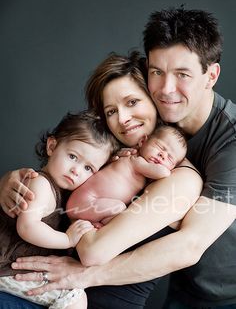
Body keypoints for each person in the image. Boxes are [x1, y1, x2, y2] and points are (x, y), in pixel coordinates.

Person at [0, 49, 203, 309]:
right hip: (38, 290)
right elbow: (52, 187)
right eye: (111, 111)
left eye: (132, 102)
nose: (123, 118)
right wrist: (12, 183)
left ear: (154, 98)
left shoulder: (178, 176)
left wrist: (75, 253)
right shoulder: (107, 156)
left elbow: (91, 249)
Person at [0, 110, 119, 309]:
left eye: (88, 168)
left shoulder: (64, 194)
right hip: (5, 270)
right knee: (75, 298)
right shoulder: (41, 185)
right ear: (52, 146)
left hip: (11, 270)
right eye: (73, 156)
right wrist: (68, 239)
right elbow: (27, 227)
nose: (76, 170)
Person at [66, 124, 187, 234]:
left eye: (170, 158)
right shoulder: (137, 161)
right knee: (120, 209)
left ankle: (93, 224)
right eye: (160, 147)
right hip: (85, 201)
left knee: (119, 214)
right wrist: (169, 167)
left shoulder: (139, 166)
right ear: (143, 141)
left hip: (87, 203)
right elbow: (163, 173)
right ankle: (95, 225)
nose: (163, 155)